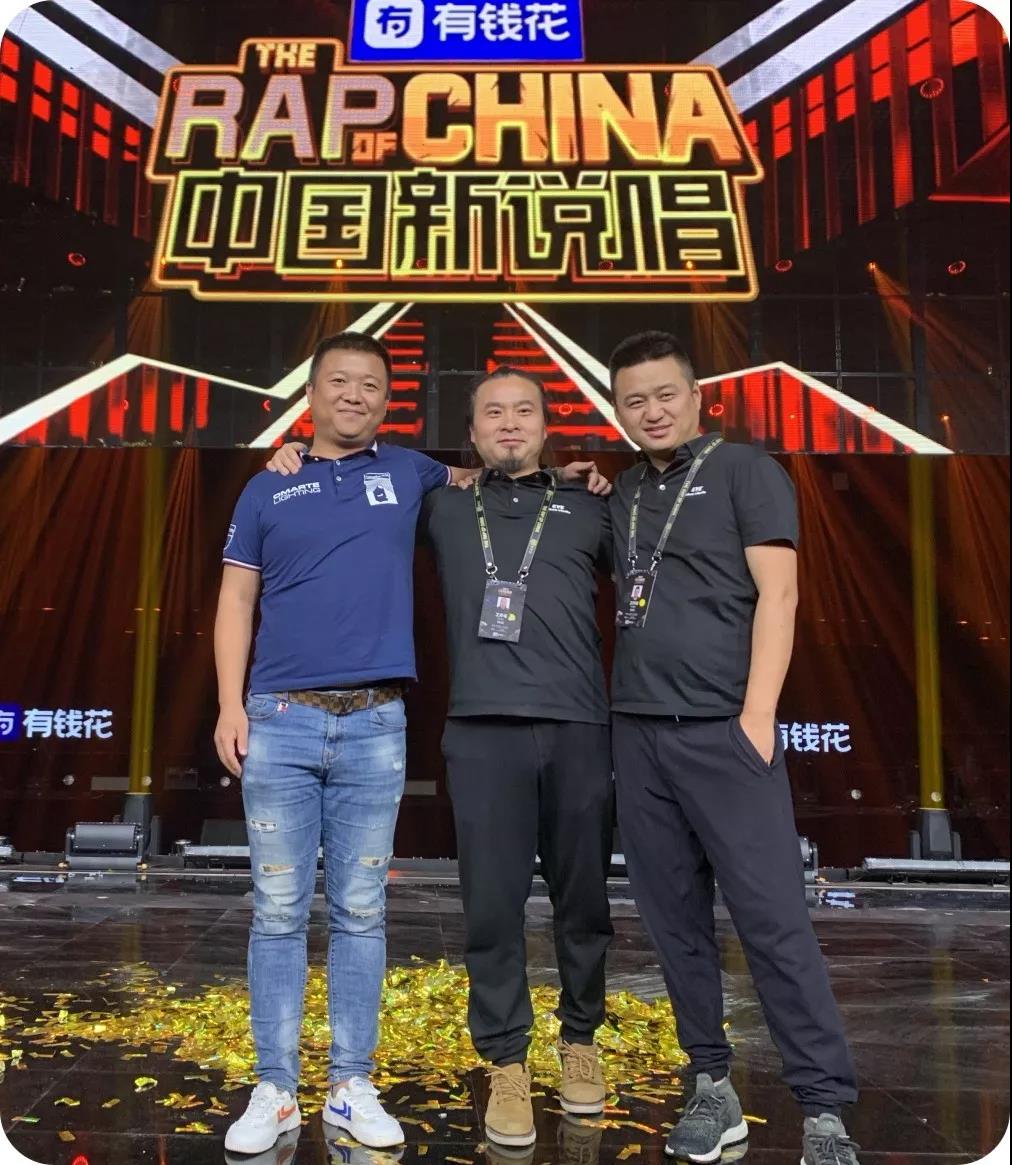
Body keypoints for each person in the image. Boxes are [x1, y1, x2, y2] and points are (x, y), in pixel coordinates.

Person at [269, 365, 615, 1151]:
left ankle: (581, 1039)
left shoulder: (591, 506)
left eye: (523, 410)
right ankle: (507, 1062)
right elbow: (349, 493)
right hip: (482, 731)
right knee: (491, 908)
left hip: (579, 727)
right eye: (493, 412)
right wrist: (295, 457)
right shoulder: (442, 503)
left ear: (546, 425)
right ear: (472, 432)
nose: (509, 423)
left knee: (584, 902)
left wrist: (590, 477)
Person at [215, 331, 473, 1156]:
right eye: (339, 381)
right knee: (278, 910)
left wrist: (579, 476)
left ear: (387, 401)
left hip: (375, 722)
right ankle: (275, 1088)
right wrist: (229, 705)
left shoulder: (410, 471)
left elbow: (489, 479)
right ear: (313, 393)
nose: (353, 395)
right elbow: (236, 601)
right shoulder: (267, 486)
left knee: (362, 909)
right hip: (279, 718)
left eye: (369, 384)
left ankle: (352, 1084)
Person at [606, 331, 860, 1165]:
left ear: (697, 396)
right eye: (634, 399)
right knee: (675, 924)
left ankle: (824, 1110)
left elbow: (779, 596)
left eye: (664, 394)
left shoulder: (747, 471)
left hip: (726, 729)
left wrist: (757, 716)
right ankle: (711, 1087)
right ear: (618, 409)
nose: (651, 411)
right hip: (639, 732)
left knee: (773, 922)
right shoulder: (625, 490)